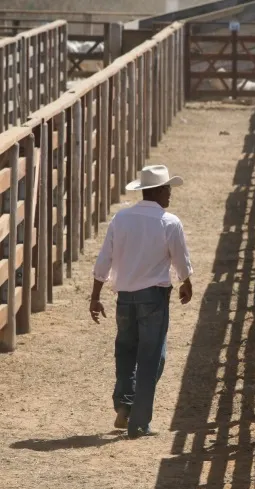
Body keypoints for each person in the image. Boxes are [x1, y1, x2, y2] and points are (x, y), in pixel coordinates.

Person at [89, 164, 193, 439]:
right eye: (168, 188)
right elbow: (180, 258)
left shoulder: (121, 219)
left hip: (125, 298)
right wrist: (186, 281)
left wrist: (96, 295)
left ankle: (124, 403)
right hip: (153, 298)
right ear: (157, 191)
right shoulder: (169, 222)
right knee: (152, 356)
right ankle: (138, 421)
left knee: (125, 352)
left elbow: (104, 259)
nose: (170, 193)